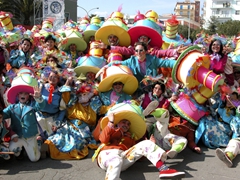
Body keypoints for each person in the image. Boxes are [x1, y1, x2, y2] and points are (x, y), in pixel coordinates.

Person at [94, 103, 185, 180]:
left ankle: (164, 169)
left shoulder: (131, 137)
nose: (126, 125)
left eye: (128, 124)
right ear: (117, 123)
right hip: (107, 156)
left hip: (123, 158)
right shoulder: (111, 129)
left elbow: (139, 158)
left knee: (145, 144)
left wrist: (150, 144)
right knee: (116, 161)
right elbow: (103, 139)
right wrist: (111, 122)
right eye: (124, 122)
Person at [97, 42, 176, 84]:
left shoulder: (153, 59)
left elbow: (167, 63)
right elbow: (118, 62)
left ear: (145, 51)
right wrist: (105, 67)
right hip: (138, 88)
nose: (139, 53)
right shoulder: (132, 61)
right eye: (136, 51)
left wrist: (179, 64)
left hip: (153, 87)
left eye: (141, 50)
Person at [3, 85, 46, 162]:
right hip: (18, 137)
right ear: (18, 95)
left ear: (29, 96)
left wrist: (38, 97)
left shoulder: (32, 106)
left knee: (34, 159)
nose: (23, 95)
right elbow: (2, 115)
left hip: (30, 136)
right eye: (21, 93)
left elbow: (41, 106)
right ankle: (21, 151)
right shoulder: (12, 107)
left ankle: (38, 142)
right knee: (13, 150)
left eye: (25, 94)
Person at [36, 70, 66, 139]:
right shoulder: (41, 87)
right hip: (39, 117)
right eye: (51, 76)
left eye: (55, 77)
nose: (52, 78)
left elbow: (63, 109)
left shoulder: (60, 92)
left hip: (52, 118)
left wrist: (57, 123)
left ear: (58, 80)